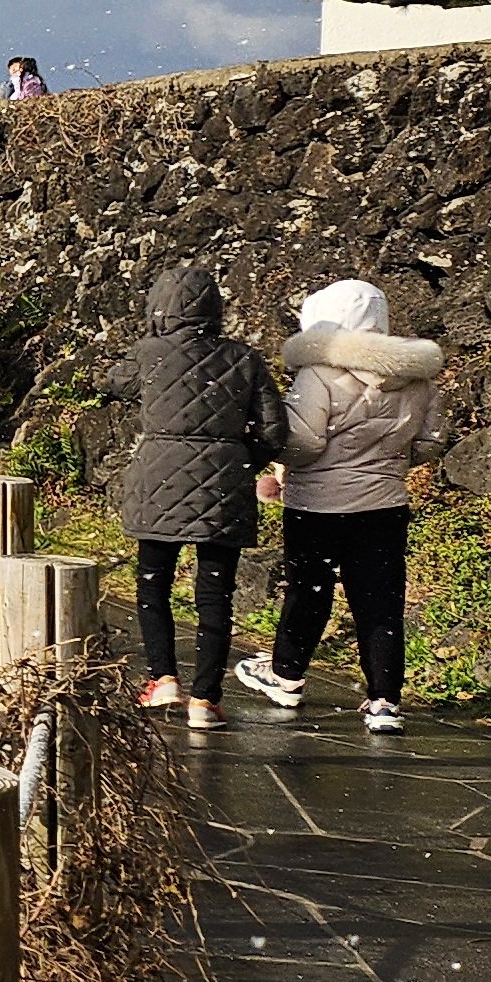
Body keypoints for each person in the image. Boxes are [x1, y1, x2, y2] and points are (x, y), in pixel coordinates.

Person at [230, 280, 446, 734]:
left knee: (309, 592)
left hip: (318, 504)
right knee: (380, 601)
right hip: (386, 503)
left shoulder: (318, 374)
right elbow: (430, 442)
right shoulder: (419, 377)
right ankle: (384, 700)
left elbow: (305, 442)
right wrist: (389, 463)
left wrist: (274, 453)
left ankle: (286, 675)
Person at [110, 264, 284, 726]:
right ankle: (206, 699)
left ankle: (163, 679)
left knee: (153, 584)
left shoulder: (149, 353)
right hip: (224, 486)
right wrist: (241, 460)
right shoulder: (244, 359)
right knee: (214, 595)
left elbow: (112, 382)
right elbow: (274, 429)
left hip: (157, 483)